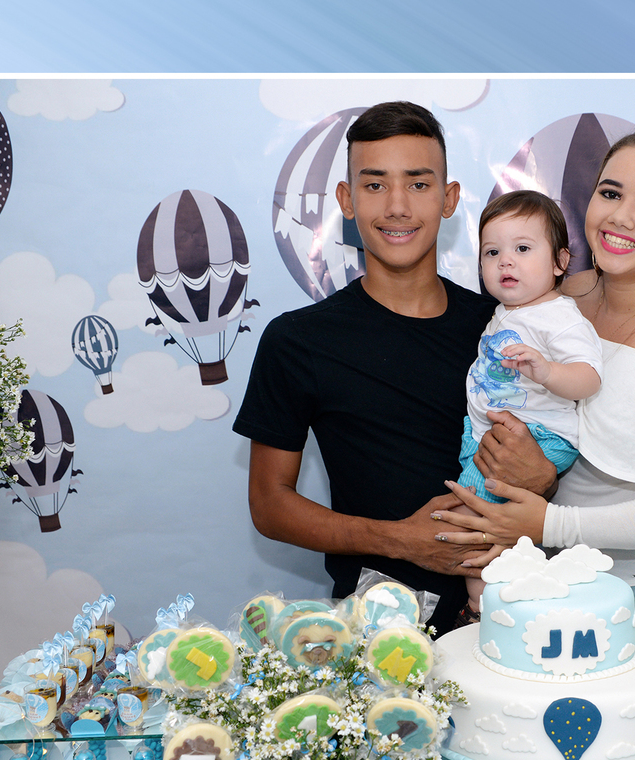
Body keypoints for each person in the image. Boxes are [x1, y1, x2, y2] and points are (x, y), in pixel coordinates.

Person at [234, 100, 559, 636]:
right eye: (375, 184)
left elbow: (567, 444)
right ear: (347, 200)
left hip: (516, 614)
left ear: (449, 198)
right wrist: (398, 541)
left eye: (419, 183)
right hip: (379, 630)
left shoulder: (506, 329)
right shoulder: (298, 340)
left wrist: (544, 476)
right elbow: (270, 506)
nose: (398, 206)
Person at [433, 127, 635, 648]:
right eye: (610, 193)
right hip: (542, 572)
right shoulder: (557, 296)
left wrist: (552, 524)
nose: (620, 217)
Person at [459, 190, 603, 612]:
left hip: (540, 438)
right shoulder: (509, 310)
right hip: (487, 432)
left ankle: (481, 606)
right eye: (492, 252)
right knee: (480, 515)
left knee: (475, 519)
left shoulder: (558, 317)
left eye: (522, 249)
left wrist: (547, 372)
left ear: (560, 262)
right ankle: (501, 593)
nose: (506, 261)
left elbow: (589, 377)